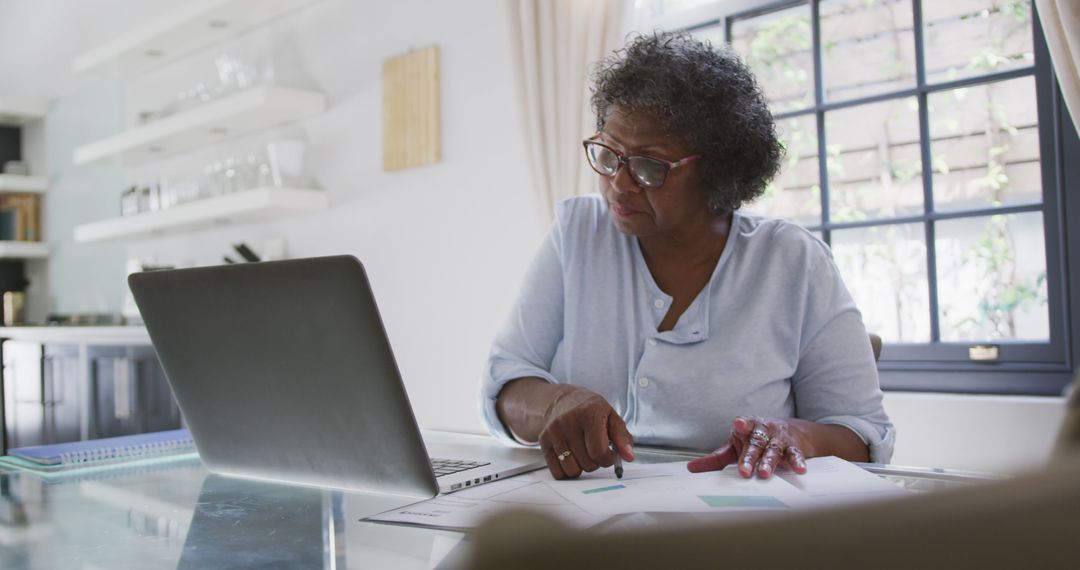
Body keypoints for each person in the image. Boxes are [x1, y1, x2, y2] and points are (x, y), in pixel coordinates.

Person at [480, 32, 894, 480]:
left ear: (718, 171)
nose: (620, 183)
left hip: (734, 530)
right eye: (610, 154)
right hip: (588, 519)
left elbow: (865, 434)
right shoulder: (578, 233)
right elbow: (506, 383)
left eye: (648, 166)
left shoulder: (792, 262)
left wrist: (798, 436)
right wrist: (558, 403)